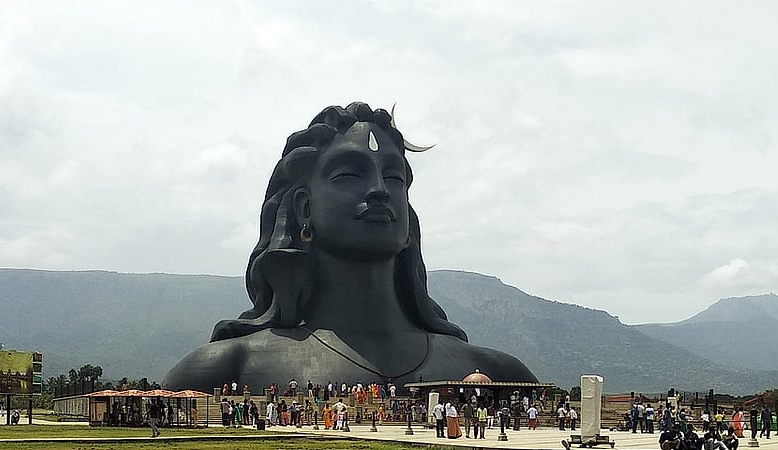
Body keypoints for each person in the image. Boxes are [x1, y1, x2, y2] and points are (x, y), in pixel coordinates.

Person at [163, 103, 537, 392]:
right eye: (348, 175)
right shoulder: (225, 366)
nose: (378, 190)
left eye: (393, 177)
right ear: (304, 208)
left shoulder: (498, 372)